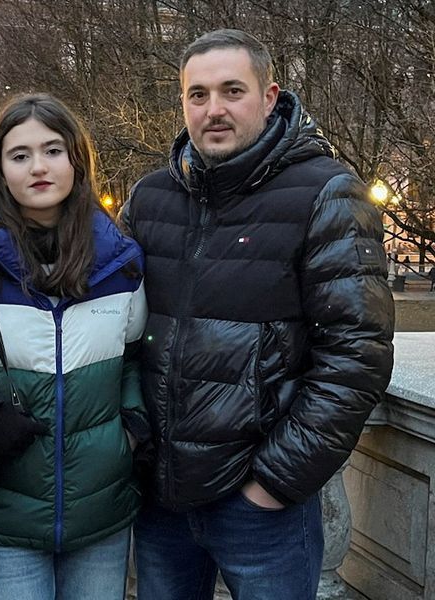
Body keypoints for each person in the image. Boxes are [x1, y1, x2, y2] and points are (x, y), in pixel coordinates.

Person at [122, 29, 394, 600]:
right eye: (197, 95)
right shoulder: (150, 198)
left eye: (231, 91)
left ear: (270, 97)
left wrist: (272, 483)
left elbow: (357, 356)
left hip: (261, 507)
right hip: (160, 498)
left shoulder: (328, 193)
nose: (213, 109)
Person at [0, 93, 150, 600]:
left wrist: (131, 430)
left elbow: (137, 361)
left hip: (103, 510)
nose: (38, 167)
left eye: (52, 150)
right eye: (20, 155)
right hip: (5, 513)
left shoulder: (124, 267)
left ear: (77, 160)